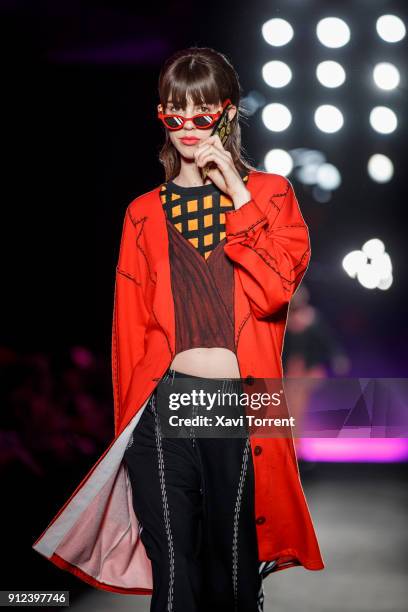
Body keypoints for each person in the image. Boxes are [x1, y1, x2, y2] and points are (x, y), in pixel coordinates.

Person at [32, 46, 324, 612]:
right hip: (164, 406)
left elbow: (272, 293)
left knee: (232, 575)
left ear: (229, 114)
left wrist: (237, 196)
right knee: (174, 575)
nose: (187, 127)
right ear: (161, 116)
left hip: (237, 406)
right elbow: (130, 336)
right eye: (173, 112)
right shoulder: (143, 212)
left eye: (202, 112)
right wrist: (125, 432)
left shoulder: (270, 196)